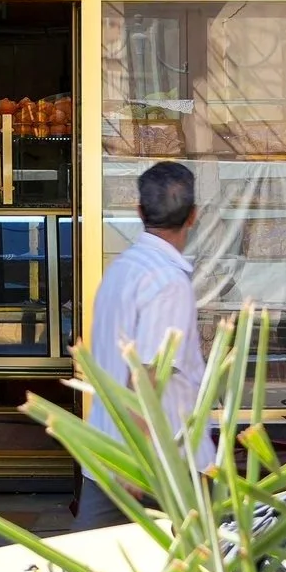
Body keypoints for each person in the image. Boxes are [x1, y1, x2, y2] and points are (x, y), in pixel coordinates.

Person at [75, 160, 210, 530]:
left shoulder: (123, 269)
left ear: (139, 212)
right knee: (193, 570)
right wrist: (136, 459)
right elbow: (148, 375)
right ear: (193, 216)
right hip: (158, 459)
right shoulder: (167, 281)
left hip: (111, 448)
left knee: (95, 568)